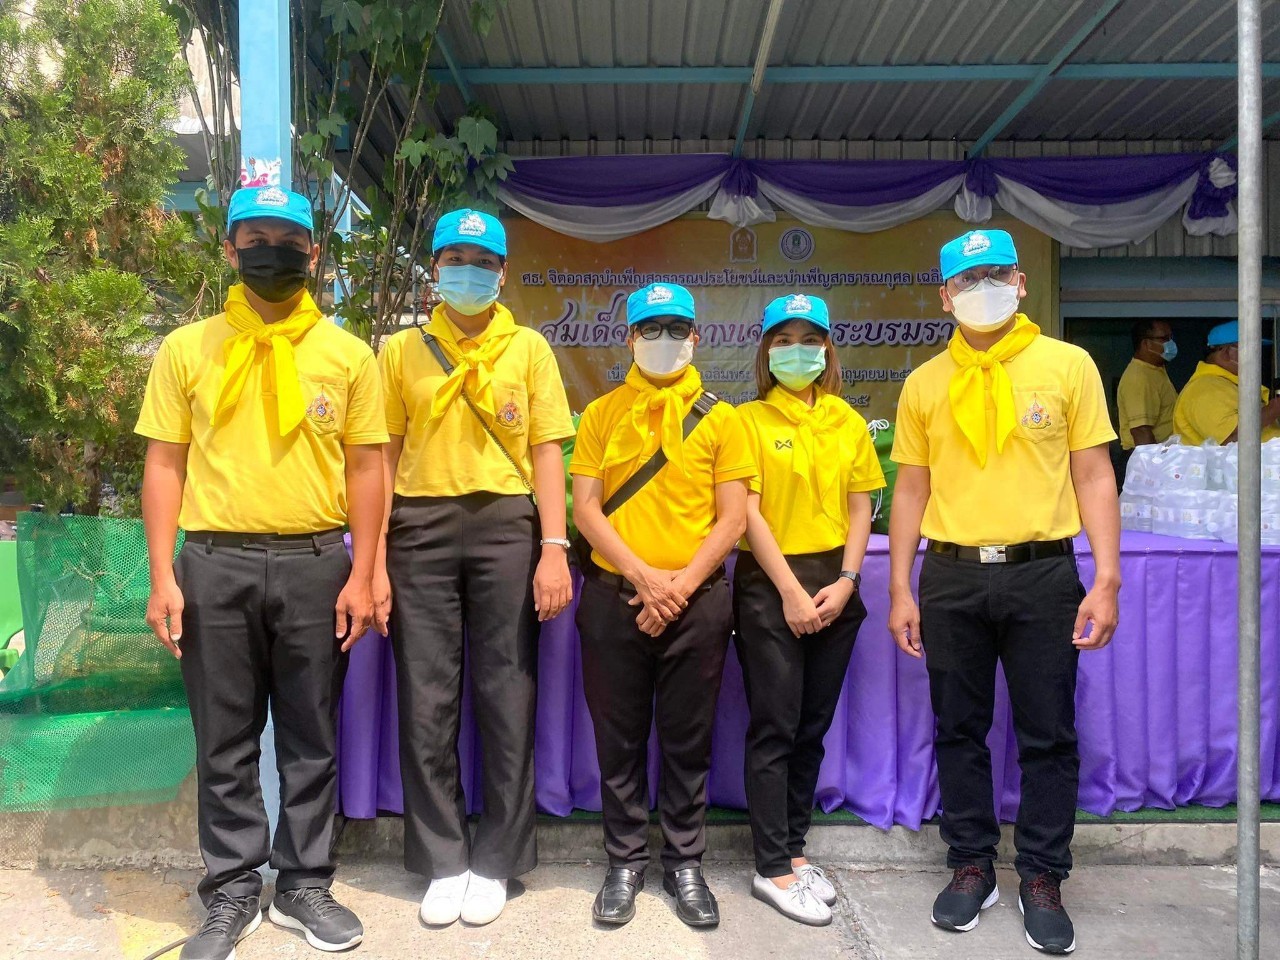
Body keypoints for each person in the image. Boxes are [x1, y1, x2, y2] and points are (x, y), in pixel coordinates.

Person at [138, 186, 385, 960]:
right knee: (224, 739)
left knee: (312, 737)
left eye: (287, 240)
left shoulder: (348, 355)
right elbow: (165, 463)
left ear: (314, 252)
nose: (270, 252)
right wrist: (162, 574)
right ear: (230, 250)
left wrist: (365, 572)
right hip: (215, 564)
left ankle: (305, 883)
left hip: (316, 565)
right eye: (254, 239)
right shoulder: (188, 349)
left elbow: (367, 468)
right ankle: (233, 889)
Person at [887, 229, 1120, 955]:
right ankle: (971, 864)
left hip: (1042, 573)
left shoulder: (1067, 365)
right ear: (944, 297)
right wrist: (900, 588)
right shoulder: (925, 383)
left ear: (1021, 282)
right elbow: (911, 489)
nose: (982, 288)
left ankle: (1043, 875)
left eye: (995, 274)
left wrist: (1107, 576)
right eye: (967, 279)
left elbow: (1093, 474)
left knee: (1048, 733)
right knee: (958, 727)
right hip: (951, 574)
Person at [375, 208, 574, 928]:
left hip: (506, 525)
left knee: (506, 691)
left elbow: (548, 450)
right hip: (419, 526)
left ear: (503, 272)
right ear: (434, 269)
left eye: (482, 262)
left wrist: (554, 547)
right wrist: (374, 557)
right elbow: (383, 453)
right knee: (425, 695)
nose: (469, 272)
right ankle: (443, 859)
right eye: (455, 260)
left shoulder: (528, 349)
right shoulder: (401, 350)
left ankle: (497, 859)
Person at [570, 282, 756, 929]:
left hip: (696, 603)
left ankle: (684, 863)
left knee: (688, 739)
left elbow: (733, 519)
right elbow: (585, 509)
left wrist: (675, 588)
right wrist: (644, 578)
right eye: (650, 328)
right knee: (618, 738)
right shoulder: (601, 414)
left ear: (696, 337)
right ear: (629, 338)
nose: (663, 339)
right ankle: (624, 861)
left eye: (676, 328)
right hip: (614, 597)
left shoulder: (723, 419)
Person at [734, 294, 884, 926]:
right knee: (775, 725)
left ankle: (795, 852)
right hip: (771, 582)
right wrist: (791, 592)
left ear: (828, 349)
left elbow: (861, 505)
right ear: (766, 352)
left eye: (810, 339)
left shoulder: (846, 419)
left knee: (811, 727)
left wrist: (848, 580)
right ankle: (770, 867)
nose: (798, 351)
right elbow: (745, 511)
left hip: (835, 584)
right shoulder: (745, 420)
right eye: (784, 340)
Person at [1172, 320, 1280, 445]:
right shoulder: (1206, 388)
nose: (1257, 356)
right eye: (1252, 349)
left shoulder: (1228, 384)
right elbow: (1228, 441)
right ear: (1226, 352)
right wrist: (1274, 408)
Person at [1116, 320, 1178, 450]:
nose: (1170, 343)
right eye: (1164, 339)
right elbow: (1141, 431)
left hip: (1162, 454)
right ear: (1146, 344)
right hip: (1146, 456)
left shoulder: (1154, 370)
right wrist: (1154, 461)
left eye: (1171, 338)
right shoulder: (1138, 378)